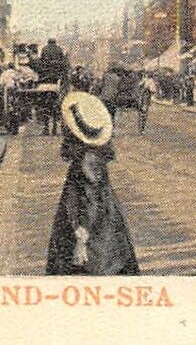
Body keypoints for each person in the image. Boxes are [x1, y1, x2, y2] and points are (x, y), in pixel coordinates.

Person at [47, 93, 139, 275]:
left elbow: (91, 202)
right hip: (101, 227)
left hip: (94, 237)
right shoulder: (90, 156)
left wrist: (81, 241)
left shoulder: (87, 160)